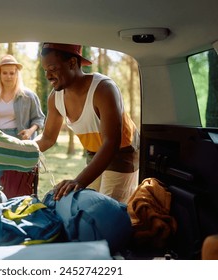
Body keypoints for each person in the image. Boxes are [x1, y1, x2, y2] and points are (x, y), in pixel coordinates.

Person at [36, 43, 140, 203]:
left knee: (105, 211)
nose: (48, 76)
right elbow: (47, 138)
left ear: (72, 63)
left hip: (122, 152)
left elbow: (111, 142)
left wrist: (78, 180)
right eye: (45, 70)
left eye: (52, 68)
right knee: (88, 207)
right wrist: (20, 148)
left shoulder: (103, 89)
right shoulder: (55, 98)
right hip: (94, 153)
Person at [0, 54, 45, 185]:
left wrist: (29, 131)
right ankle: (1, 205)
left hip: (20, 141)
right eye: (5, 73)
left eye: (12, 73)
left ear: (17, 74)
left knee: (20, 181)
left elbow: (39, 119)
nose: (8, 76)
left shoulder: (28, 96)